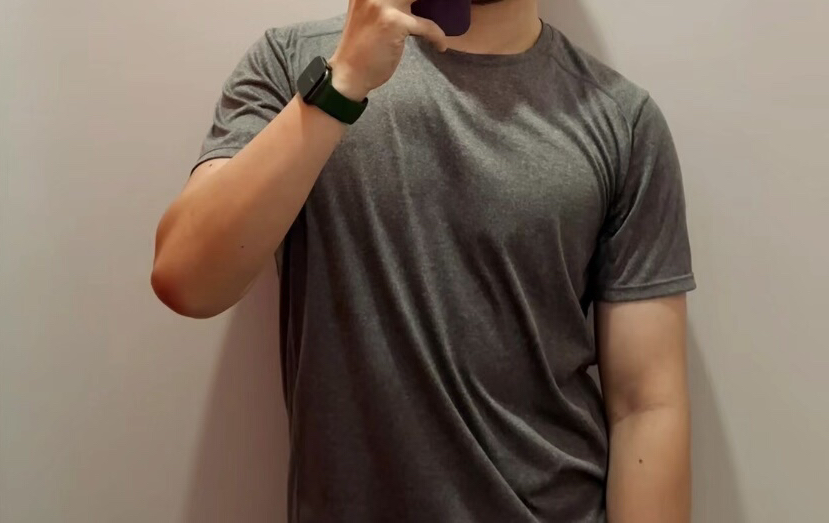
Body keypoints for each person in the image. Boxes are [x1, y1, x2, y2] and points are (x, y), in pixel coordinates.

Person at [151, 0, 695, 521]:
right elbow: (187, 280)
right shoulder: (296, 64)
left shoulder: (623, 121)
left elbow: (646, 405)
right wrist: (343, 82)